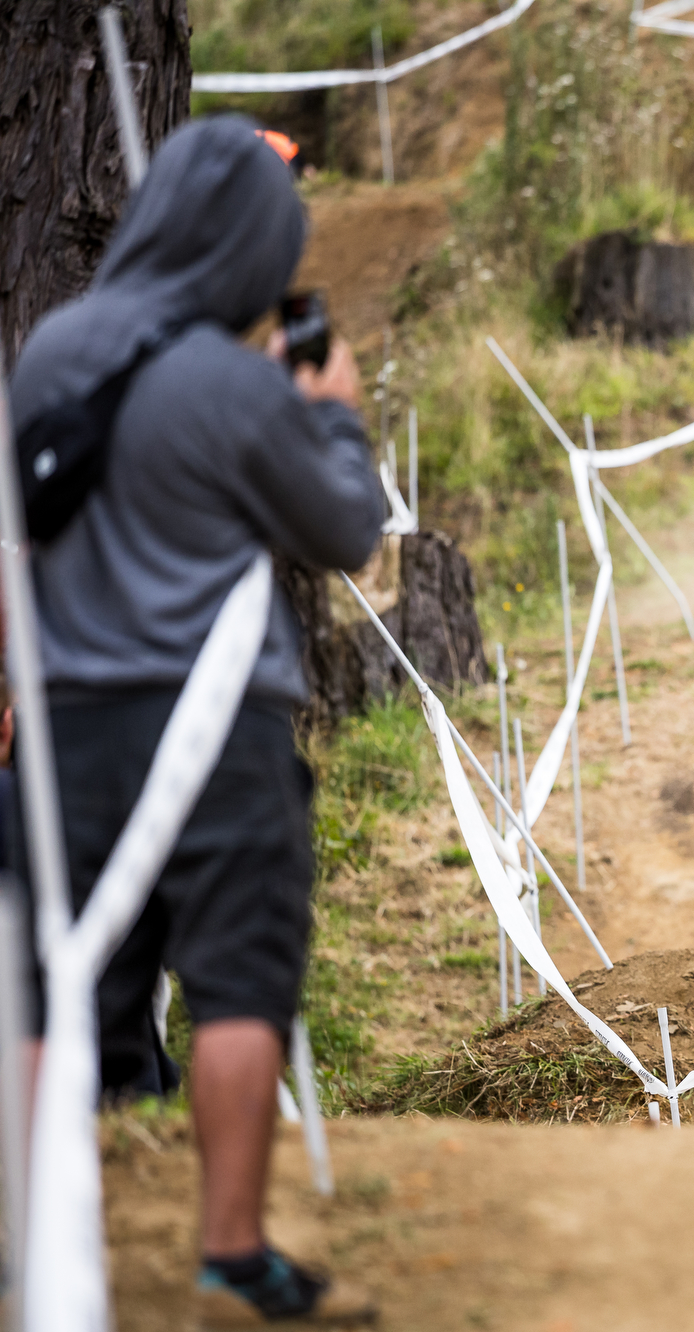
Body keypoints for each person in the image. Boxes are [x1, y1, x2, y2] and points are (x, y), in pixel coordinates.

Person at [7, 118, 384, 1325]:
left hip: (64, 725)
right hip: (219, 730)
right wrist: (331, 414)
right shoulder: (234, 380)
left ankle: (24, 1243)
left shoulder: (51, 353)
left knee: (53, 983)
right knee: (236, 982)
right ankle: (229, 1255)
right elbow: (347, 530)